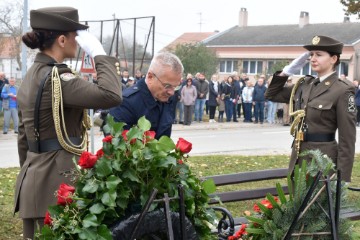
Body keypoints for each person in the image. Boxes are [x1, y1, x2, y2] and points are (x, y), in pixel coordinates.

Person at [14, 7, 122, 239]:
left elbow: (24, 138)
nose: (79, 41)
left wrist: (33, 175)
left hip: (33, 181)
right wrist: (99, 54)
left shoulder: (32, 75)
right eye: (75, 35)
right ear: (62, 40)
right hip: (58, 184)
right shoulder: (60, 79)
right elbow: (112, 95)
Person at [265, 35, 356, 182]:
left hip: (323, 162)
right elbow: (271, 94)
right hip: (298, 157)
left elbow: (347, 139)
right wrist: (286, 73)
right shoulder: (304, 85)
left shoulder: (342, 90)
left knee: (320, 204)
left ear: (334, 59)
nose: (313, 58)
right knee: (298, 204)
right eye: (311, 54)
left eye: (319, 55)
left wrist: (342, 178)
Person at [109, 51, 184, 139]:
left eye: (176, 86)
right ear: (150, 77)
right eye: (167, 86)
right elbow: (118, 145)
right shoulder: (124, 103)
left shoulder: (169, 97)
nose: (171, 92)